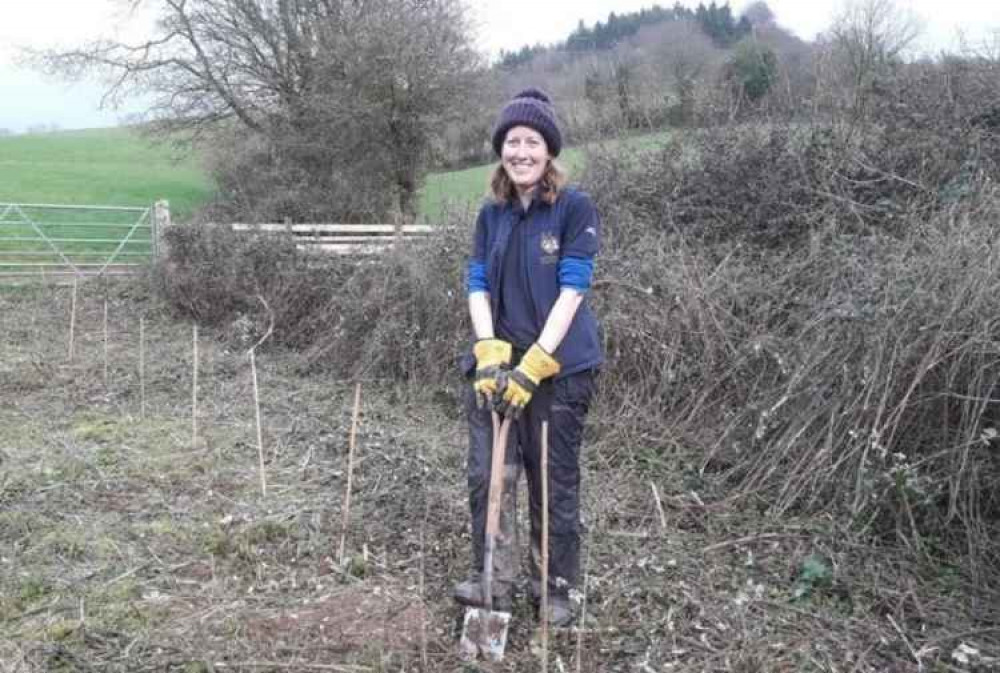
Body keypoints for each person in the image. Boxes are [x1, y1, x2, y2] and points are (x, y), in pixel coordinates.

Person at [454, 88, 603, 627]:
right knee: (489, 475)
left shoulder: (573, 208)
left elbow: (574, 289)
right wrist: (490, 352)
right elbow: (476, 282)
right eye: (512, 141)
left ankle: (556, 588)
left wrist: (536, 362)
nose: (521, 151)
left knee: (552, 478)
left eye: (532, 142)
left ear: (549, 151)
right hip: (499, 363)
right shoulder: (491, 213)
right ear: (501, 149)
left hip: (558, 372)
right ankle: (493, 577)